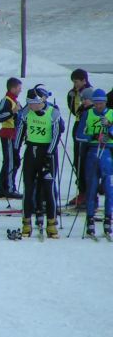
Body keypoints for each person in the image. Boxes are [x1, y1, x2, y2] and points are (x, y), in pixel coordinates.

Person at [14, 87, 64, 238]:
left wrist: (49, 154)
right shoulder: (26, 112)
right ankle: (27, 223)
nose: (31, 106)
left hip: (47, 154)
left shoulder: (53, 113)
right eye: (28, 103)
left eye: (33, 103)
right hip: (31, 152)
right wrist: (16, 152)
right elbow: (20, 131)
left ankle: (51, 223)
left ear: (42, 100)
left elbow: (56, 135)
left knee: (48, 189)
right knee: (28, 189)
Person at [75, 88, 113, 238]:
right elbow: (79, 135)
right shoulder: (88, 114)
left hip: (108, 153)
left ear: (105, 102)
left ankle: (108, 219)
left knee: (109, 187)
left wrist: (109, 128)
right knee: (91, 187)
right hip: (92, 152)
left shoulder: (111, 113)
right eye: (96, 103)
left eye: (101, 103)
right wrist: (93, 135)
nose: (98, 106)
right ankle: (90, 219)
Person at [66, 69, 92, 207]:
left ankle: (87, 192)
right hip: (77, 124)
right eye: (73, 82)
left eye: (77, 81)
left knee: (84, 160)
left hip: (86, 126)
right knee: (77, 160)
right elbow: (72, 107)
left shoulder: (89, 93)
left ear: (84, 80)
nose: (75, 84)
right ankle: (82, 190)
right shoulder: (73, 93)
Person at [0, 77, 23, 199]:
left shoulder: (14, 100)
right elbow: (0, 115)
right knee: (11, 161)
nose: (20, 90)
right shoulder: (6, 100)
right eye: (18, 88)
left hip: (14, 134)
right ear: (12, 88)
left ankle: (3, 188)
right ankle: (10, 189)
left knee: (13, 160)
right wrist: (13, 112)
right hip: (8, 133)